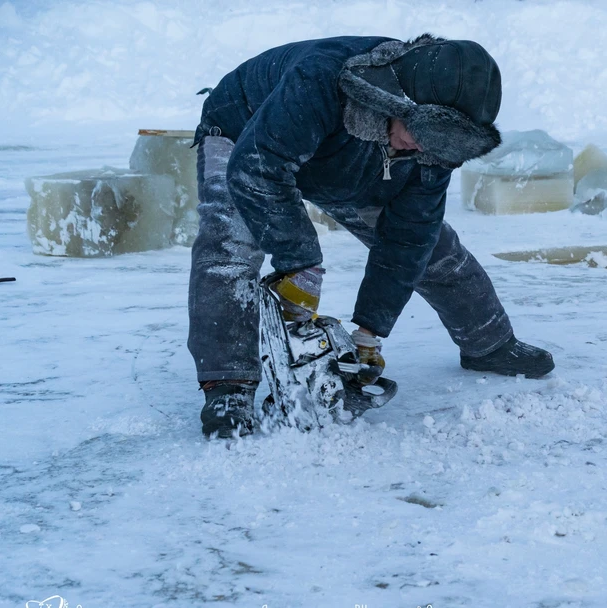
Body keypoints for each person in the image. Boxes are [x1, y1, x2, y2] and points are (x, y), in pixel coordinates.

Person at [189, 34, 555, 439]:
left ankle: (489, 343)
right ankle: (228, 386)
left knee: (433, 249)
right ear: (396, 101)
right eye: (420, 130)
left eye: (436, 143)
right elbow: (258, 167)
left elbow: (410, 236)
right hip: (247, 132)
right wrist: (299, 262)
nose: (421, 146)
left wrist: (369, 330)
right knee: (229, 248)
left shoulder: (431, 147)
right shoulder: (320, 79)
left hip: (345, 162)